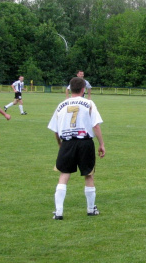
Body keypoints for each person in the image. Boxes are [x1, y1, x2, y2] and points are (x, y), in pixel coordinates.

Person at [49, 77, 105, 220]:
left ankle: (59, 212)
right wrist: (101, 144)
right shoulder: (89, 103)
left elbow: (55, 130)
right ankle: (91, 209)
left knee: (64, 174)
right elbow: (96, 125)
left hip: (67, 142)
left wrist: (60, 144)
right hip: (85, 143)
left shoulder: (61, 105)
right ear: (83, 89)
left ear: (70, 89)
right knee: (88, 174)